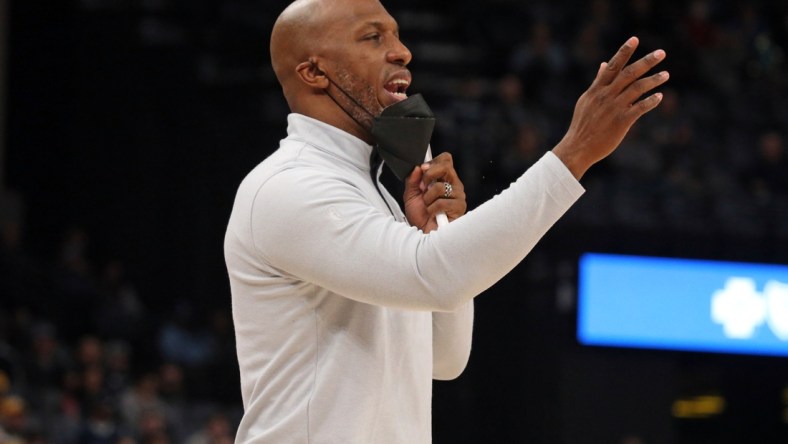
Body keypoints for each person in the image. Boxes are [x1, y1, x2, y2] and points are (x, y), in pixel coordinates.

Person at [223, 0, 668, 442]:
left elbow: (445, 357)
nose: (402, 51)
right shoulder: (289, 186)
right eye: (373, 37)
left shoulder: (376, 191)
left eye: (396, 34)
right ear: (314, 73)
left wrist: (438, 228)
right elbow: (433, 277)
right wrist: (574, 155)